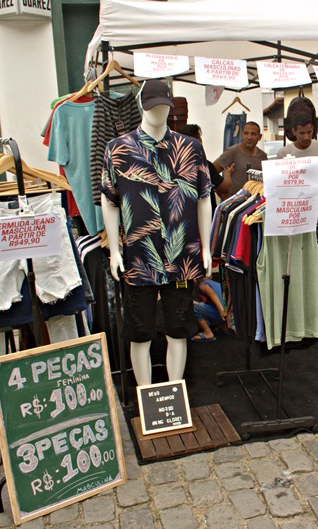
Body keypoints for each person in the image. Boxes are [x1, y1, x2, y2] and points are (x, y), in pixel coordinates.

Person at [101, 79, 213, 386]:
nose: (160, 113)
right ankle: (146, 393)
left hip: (181, 256)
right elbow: (109, 201)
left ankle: (174, 391)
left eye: (165, 107)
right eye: (153, 107)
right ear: (141, 106)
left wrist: (205, 248)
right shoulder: (118, 149)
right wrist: (114, 249)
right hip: (139, 257)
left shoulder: (190, 149)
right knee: (140, 331)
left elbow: (205, 198)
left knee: (179, 328)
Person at [278, 114, 318, 310]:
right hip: (294, 206)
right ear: (294, 132)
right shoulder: (284, 152)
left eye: (309, 132)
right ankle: (300, 291)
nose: (306, 136)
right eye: (302, 132)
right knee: (297, 249)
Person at [179, 123, 230, 205]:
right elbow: (225, 188)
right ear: (197, 141)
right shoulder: (204, 165)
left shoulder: (173, 164)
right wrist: (228, 174)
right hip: (204, 212)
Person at [212, 121, 267, 196]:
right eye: (246, 133)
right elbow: (211, 174)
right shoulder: (232, 152)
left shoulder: (263, 156)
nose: (249, 137)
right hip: (234, 204)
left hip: (254, 204)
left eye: (253, 134)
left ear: (260, 137)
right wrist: (225, 199)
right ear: (241, 135)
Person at [191, 277, 228, 342]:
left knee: (193, 308)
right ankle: (224, 327)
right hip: (229, 314)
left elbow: (213, 295)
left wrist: (222, 311)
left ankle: (208, 333)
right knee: (206, 307)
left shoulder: (203, 285)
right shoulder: (216, 284)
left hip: (222, 313)